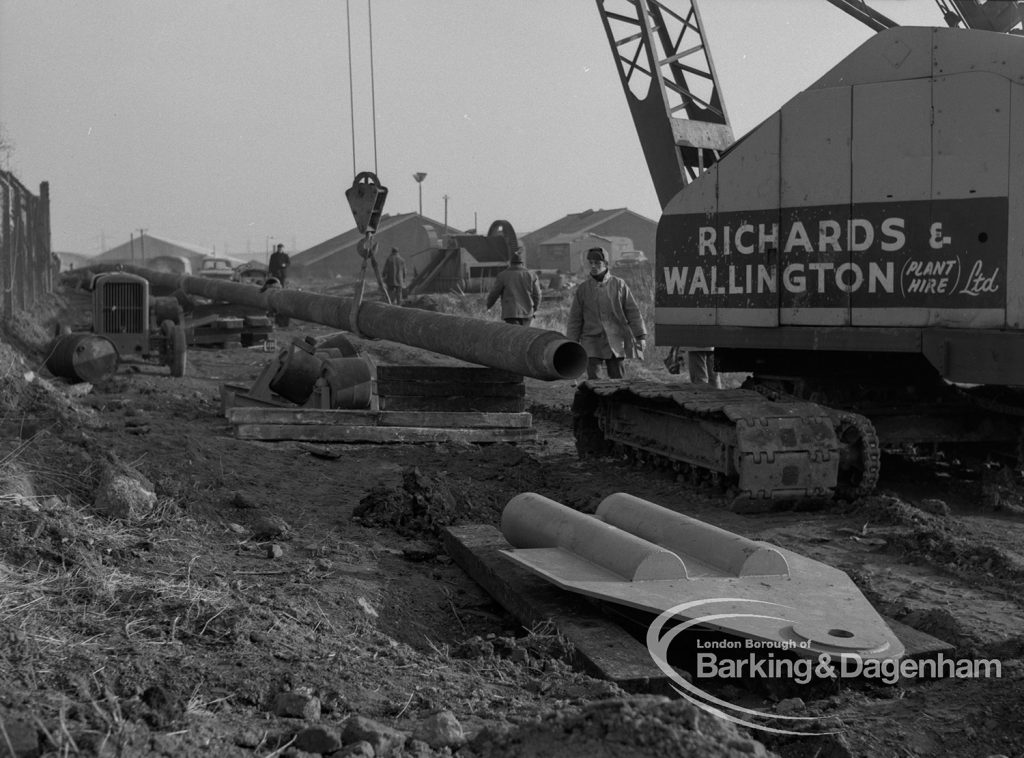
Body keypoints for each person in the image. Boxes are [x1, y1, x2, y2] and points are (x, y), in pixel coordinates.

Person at [566, 247, 647, 380]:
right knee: (594, 379)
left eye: (597, 263)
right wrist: (571, 343)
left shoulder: (619, 285)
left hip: (615, 339)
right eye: (590, 263)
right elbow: (575, 319)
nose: (593, 266)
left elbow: (633, 312)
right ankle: (597, 401)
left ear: (606, 264)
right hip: (591, 340)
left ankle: (616, 401)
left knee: (617, 379)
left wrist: (640, 335)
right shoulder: (583, 289)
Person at [485, 250, 542, 325]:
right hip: (528, 312)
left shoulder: (503, 275)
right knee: (525, 335)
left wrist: (488, 305)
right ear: (522, 263)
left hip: (510, 313)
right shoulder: (532, 275)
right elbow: (537, 295)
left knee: (515, 335)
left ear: (511, 263)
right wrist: (535, 308)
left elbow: (494, 293)